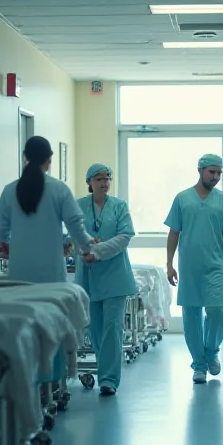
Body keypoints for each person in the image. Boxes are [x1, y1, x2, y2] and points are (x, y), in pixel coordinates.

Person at [0, 136, 98, 383]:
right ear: (49, 161)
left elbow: (0, 232)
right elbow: (75, 225)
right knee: (53, 329)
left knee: (24, 328)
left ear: (25, 158)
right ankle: (54, 383)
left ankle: (27, 380)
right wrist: (86, 248)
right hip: (52, 277)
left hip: (19, 277)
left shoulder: (10, 190)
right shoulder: (59, 189)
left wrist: (17, 241)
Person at [165, 154, 223, 384]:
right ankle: (198, 365)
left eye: (219, 173)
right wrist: (169, 264)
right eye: (212, 172)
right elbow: (174, 233)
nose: (216, 177)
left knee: (216, 311)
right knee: (192, 315)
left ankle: (211, 352)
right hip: (189, 267)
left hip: (215, 266)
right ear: (200, 171)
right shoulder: (182, 199)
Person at [75, 163, 137, 397]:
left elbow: (125, 236)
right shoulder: (79, 206)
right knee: (96, 329)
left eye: (107, 178)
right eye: (99, 178)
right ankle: (105, 371)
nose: (104, 182)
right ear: (89, 182)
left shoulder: (119, 206)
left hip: (115, 276)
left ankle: (109, 380)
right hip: (88, 275)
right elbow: (72, 233)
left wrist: (97, 251)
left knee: (113, 328)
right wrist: (86, 250)